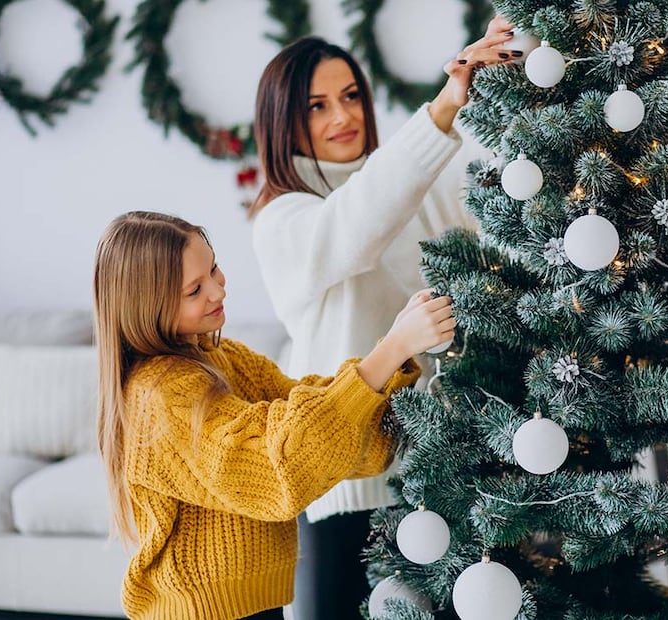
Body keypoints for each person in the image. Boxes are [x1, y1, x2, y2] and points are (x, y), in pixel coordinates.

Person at [246, 14, 518, 620]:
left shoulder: (408, 178)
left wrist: (505, 72)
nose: (342, 117)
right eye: (316, 107)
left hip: (438, 466)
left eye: (350, 97)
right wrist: (443, 105)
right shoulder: (282, 220)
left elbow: (490, 184)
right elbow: (358, 225)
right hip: (343, 485)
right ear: (282, 121)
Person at [93, 211, 455, 620]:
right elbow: (275, 469)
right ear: (147, 307)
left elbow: (313, 420)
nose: (217, 290)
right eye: (194, 289)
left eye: (214, 269)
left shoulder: (224, 356)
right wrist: (389, 351)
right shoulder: (159, 395)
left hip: (256, 606)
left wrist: (394, 352)